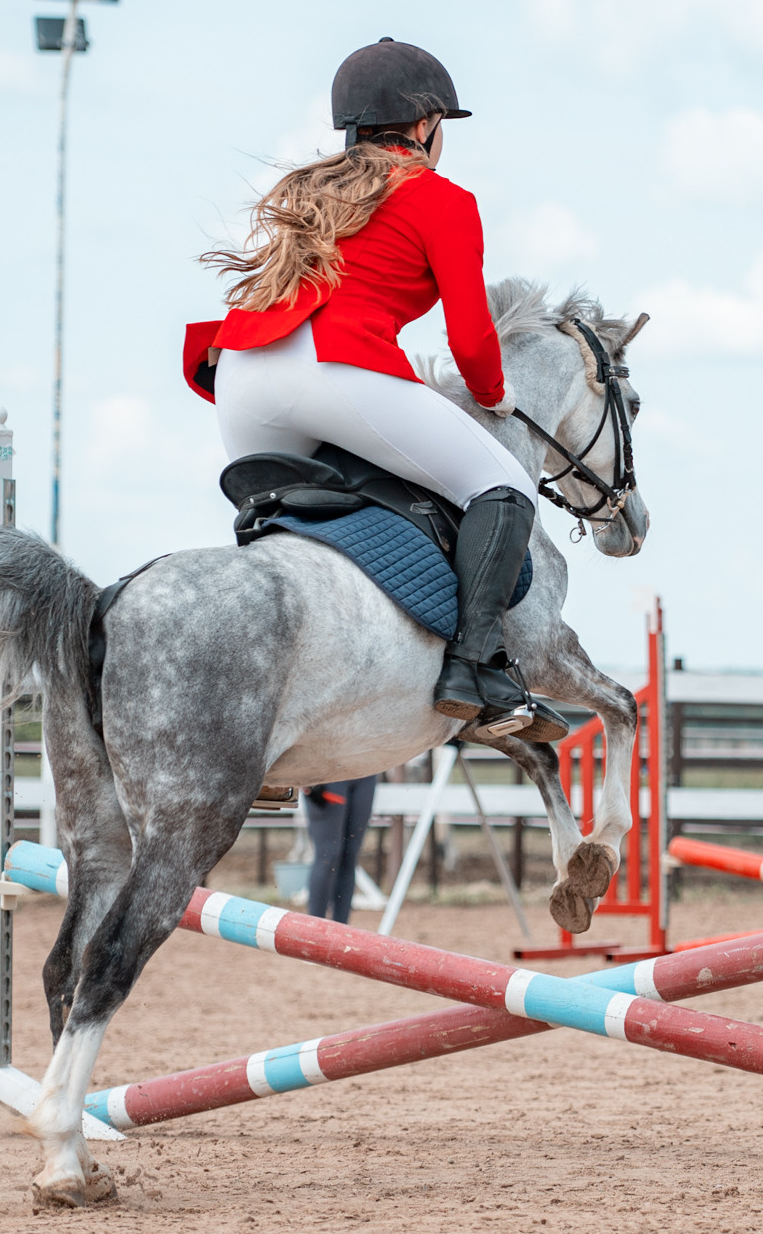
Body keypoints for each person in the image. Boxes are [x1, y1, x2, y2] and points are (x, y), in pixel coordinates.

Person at [182, 38, 562, 743]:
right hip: (332, 367)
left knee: (290, 527)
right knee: (503, 487)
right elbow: (472, 336)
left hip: (242, 372)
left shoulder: (313, 190)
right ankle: (475, 667)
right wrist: (493, 394)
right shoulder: (441, 198)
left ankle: (258, 711)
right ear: (424, 126)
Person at [304, 777, 380, 924]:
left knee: (350, 855)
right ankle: (314, 927)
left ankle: (341, 929)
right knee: (328, 855)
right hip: (330, 772)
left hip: (366, 773)